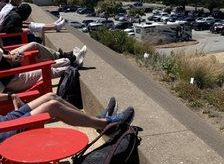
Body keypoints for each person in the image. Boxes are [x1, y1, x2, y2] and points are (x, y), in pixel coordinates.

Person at [0, 92, 134, 143]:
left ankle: (95, 120)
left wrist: (10, 95)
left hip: (6, 120)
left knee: (51, 96)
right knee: (53, 106)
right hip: (5, 132)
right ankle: (106, 124)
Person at [0, 43, 87, 93]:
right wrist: (10, 58)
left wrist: (9, 56)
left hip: (12, 73)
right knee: (47, 70)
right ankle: (74, 64)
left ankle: (71, 60)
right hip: (10, 81)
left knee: (45, 66)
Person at [0, 0, 65, 33]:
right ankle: (55, 26)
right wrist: (22, 29)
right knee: (31, 26)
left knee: (30, 24)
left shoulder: (14, 13)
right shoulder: (16, 17)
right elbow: (8, 28)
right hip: (7, 36)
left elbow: (9, 24)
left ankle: (54, 25)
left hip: (6, 31)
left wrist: (22, 24)